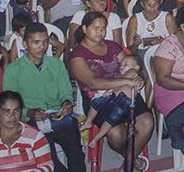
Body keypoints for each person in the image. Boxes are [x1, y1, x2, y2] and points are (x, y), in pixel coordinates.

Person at [66, 11, 154, 169]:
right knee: (116, 134)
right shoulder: (77, 55)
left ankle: (127, 165)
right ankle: (132, 159)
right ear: (85, 29)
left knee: (147, 123)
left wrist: (135, 76)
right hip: (99, 99)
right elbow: (93, 83)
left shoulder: (112, 46)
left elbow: (130, 64)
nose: (100, 32)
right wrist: (125, 80)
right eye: (96, 28)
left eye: (103, 28)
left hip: (126, 92)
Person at [1, 22, 86, 171]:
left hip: (57, 115)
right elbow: (9, 107)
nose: (42, 46)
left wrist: (66, 103)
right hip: (31, 121)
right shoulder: (13, 70)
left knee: (76, 152)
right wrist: (30, 112)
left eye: (45, 41)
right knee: (48, 157)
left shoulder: (56, 65)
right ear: (25, 44)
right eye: (36, 42)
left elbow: (66, 91)